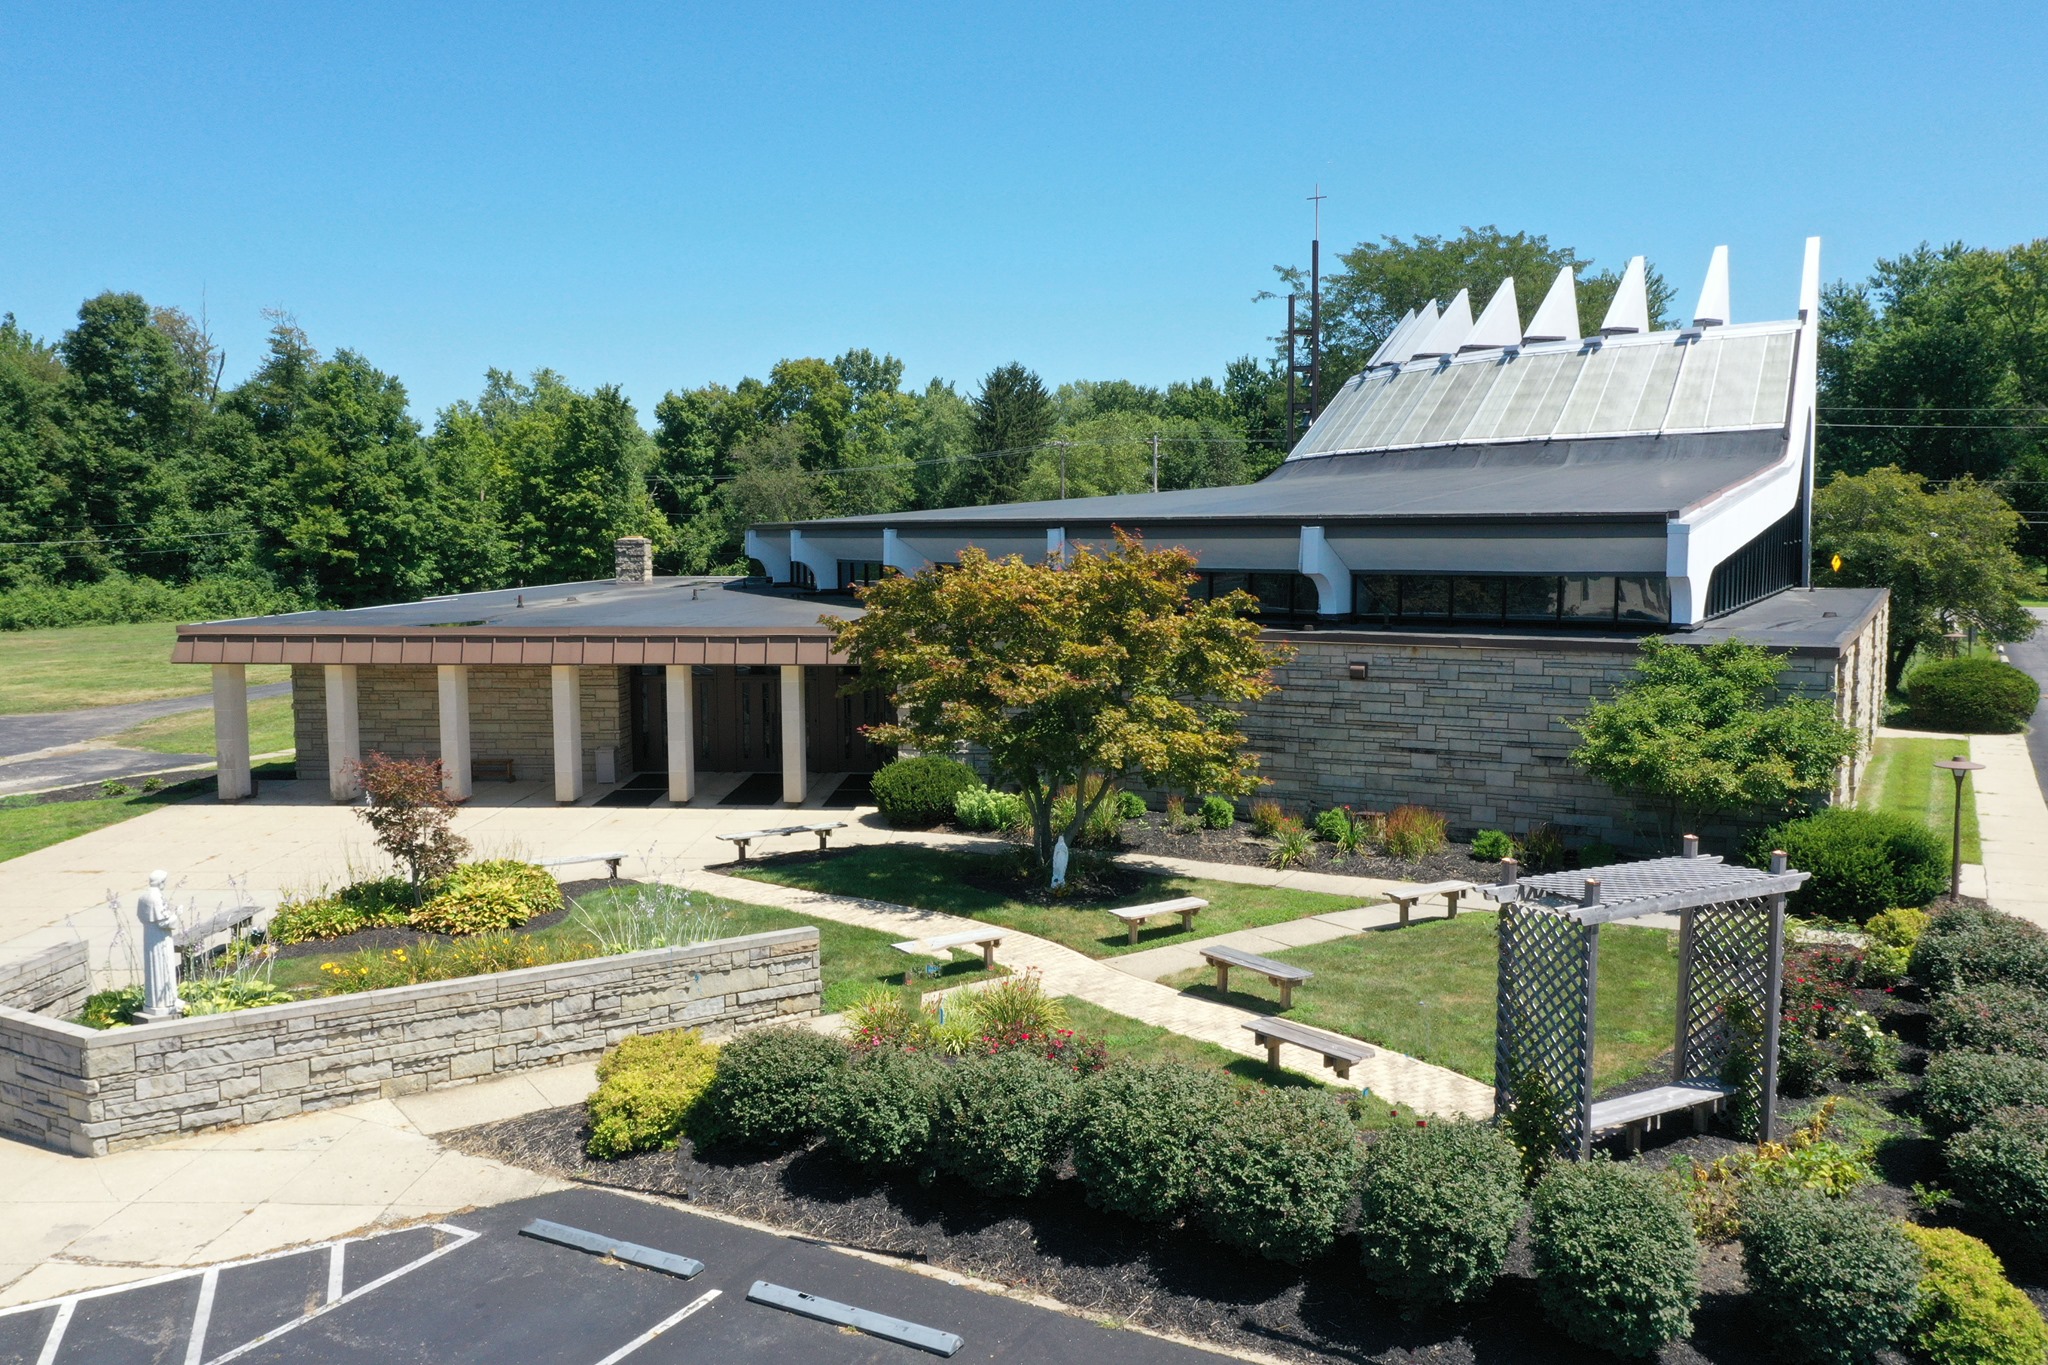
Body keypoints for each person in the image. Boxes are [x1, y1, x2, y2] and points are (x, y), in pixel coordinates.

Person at [137, 869, 182, 1018]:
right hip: (160, 938)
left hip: (149, 935)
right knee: (163, 966)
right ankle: (164, 1002)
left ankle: (158, 1001)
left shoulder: (143, 897)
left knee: (154, 967)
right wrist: (177, 914)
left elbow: (142, 916)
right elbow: (164, 922)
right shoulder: (155, 898)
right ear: (161, 882)